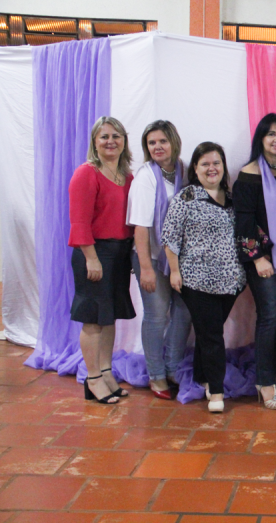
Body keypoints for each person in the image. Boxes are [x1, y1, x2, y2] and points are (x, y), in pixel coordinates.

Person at [162, 142, 246, 413]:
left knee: (208, 331)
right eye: (205, 164)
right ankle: (217, 391)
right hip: (196, 281)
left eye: (216, 163)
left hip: (231, 281)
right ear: (195, 169)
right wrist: (175, 271)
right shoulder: (186, 197)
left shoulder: (232, 199)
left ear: (223, 166)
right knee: (212, 335)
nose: (212, 168)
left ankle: (203, 376)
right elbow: (170, 237)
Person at [233, 113, 276, 410]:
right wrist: (258, 258)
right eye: (271, 133)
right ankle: (264, 382)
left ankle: (271, 371)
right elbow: (244, 222)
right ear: (260, 138)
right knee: (269, 317)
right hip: (262, 261)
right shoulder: (248, 174)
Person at [68, 116, 136, 404]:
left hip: (120, 255)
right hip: (94, 253)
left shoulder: (127, 177)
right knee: (93, 319)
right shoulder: (86, 173)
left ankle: (106, 372)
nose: (111, 141)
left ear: (124, 141)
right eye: (104, 136)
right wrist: (91, 258)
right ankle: (92, 378)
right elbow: (79, 222)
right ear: (94, 142)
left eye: (116, 136)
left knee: (109, 318)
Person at [127, 120, 192, 400]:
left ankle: (173, 367)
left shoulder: (184, 170)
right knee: (156, 315)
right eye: (151, 142)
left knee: (184, 311)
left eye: (162, 141)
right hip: (151, 256)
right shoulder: (146, 177)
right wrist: (146, 269)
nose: (157, 147)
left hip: (179, 257)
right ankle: (156, 375)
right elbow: (140, 227)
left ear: (174, 142)